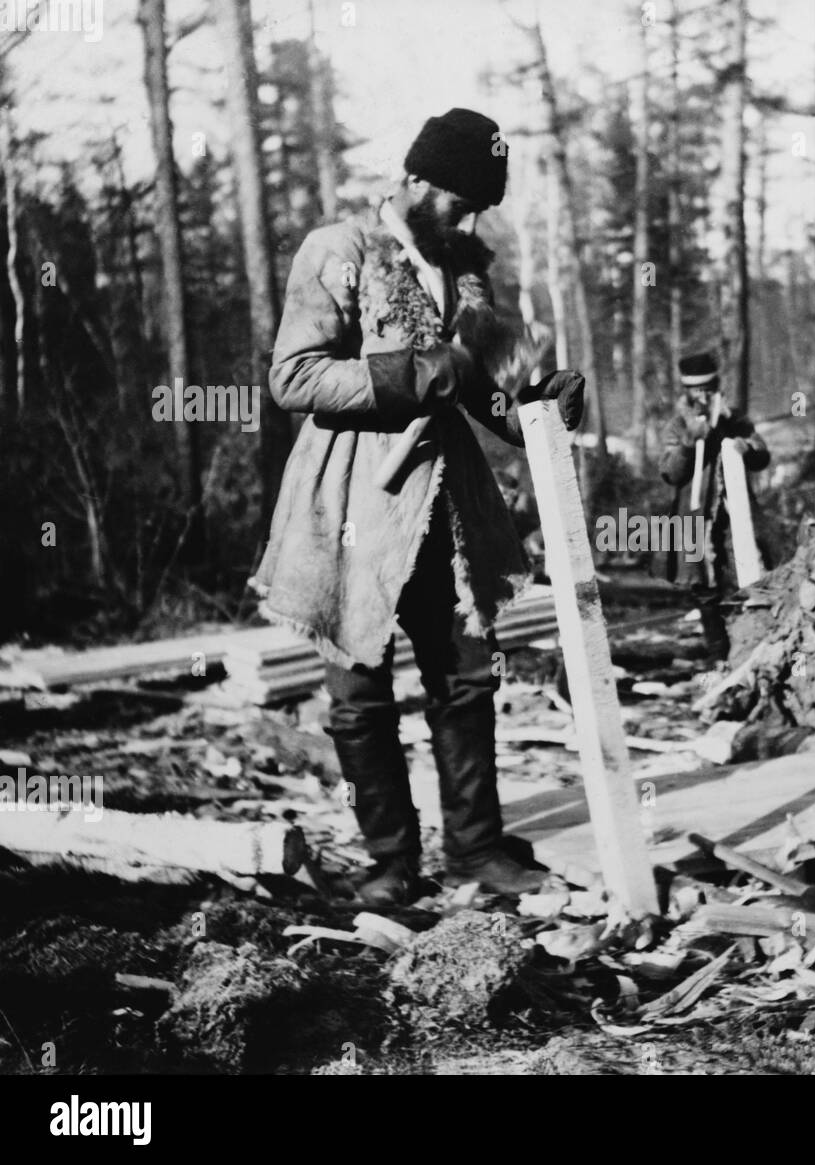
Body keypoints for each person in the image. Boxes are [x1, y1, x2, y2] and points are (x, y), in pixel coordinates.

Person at [252, 108, 585, 905]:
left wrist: (541, 402)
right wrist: (409, 376)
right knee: (360, 689)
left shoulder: (467, 271)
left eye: (479, 209)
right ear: (415, 182)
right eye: (460, 204)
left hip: (446, 503)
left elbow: (489, 391)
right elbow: (293, 378)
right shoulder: (340, 251)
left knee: (467, 675)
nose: (469, 222)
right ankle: (390, 861)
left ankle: (475, 849)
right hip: (351, 501)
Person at [658, 352, 770, 649]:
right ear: (687, 392)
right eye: (697, 390)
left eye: (709, 388)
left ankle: (754, 644)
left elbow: (762, 455)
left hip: (735, 514)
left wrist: (746, 447)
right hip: (695, 514)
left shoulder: (735, 421)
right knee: (704, 586)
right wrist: (688, 444)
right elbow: (670, 473)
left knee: (750, 572)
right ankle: (719, 653)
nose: (704, 395)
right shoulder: (676, 426)